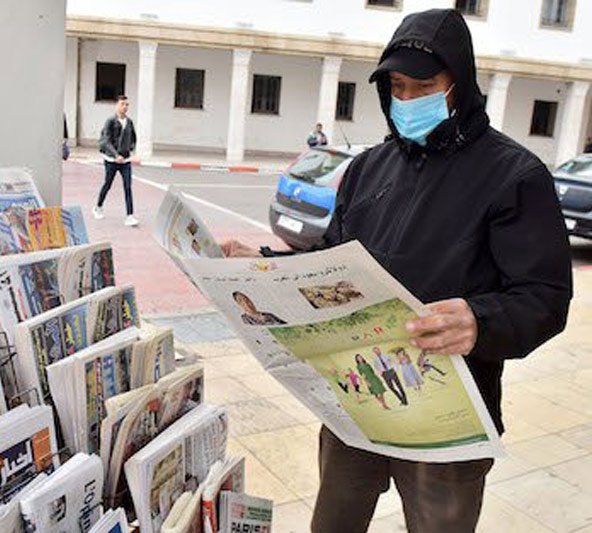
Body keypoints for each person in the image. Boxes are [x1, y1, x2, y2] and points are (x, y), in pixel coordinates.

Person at [221, 9, 572, 532]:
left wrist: (480, 320)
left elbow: (545, 297)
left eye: (423, 85)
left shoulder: (514, 176)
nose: (407, 100)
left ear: (460, 82)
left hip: (445, 416)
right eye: (397, 87)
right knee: (333, 522)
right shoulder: (369, 167)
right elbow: (332, 264)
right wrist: (267, 269)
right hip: (356, 401)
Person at [94, 95, 139, 227]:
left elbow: (133, 138)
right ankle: (98, 207)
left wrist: (129, 150)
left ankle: (130, 216)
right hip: (111, 160)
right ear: (117, 106)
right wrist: (115, 155)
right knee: (107, 184)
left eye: (127, 104)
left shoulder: (129, 122)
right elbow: (105, 141)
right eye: (122, 104)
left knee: (128, 187)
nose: (125, 107)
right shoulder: (110, 121)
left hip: (125, 161)